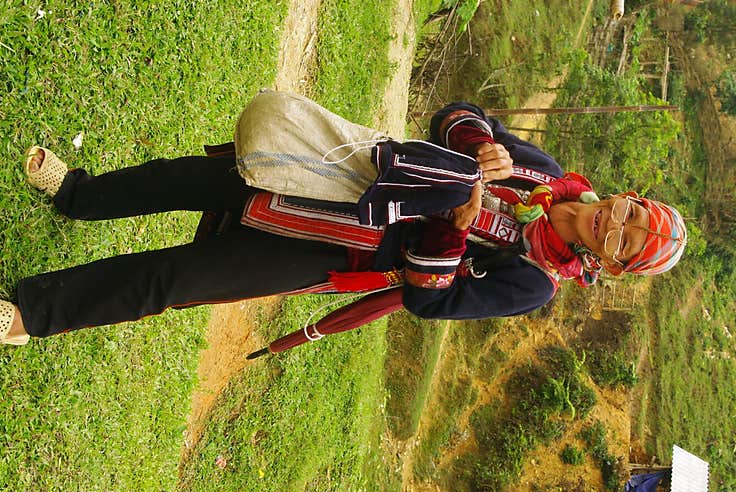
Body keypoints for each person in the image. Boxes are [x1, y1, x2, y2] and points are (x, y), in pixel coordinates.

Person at [1, 100, 687, 348]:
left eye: (626, 241)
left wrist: (452, 229)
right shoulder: (543, 171)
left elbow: (429, 300)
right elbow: (451, 115)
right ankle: (78, 195)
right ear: (628, 196)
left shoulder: (534, 283)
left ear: (616, 265)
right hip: (347, 180)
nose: (614, 225)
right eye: (632, 213)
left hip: (341, 247)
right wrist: (478, 142)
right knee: (194, 179)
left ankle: (30, 316)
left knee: (174, 279)